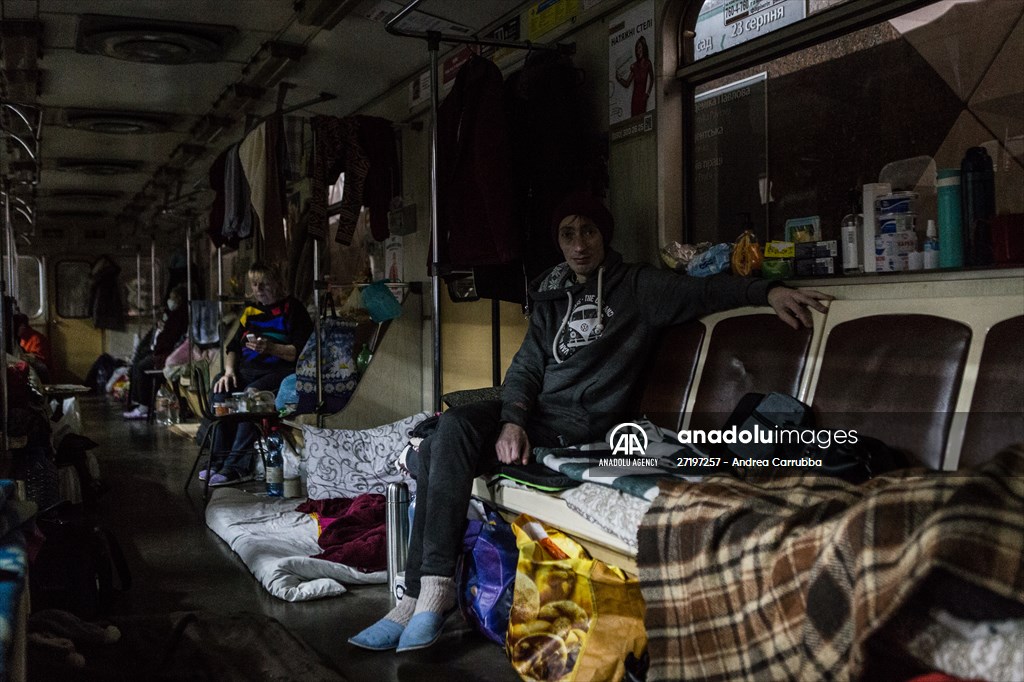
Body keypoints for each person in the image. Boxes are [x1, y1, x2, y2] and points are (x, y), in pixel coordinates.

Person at [349, 192, 832, 652]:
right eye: (567, 234)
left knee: (442, 444)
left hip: (577, 424)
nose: (579, 245)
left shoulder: (638, 287)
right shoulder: (553, 292)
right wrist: (512, 418)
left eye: (588, 233)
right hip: (533, 415)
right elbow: (526, 367)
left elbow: (703, 292)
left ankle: (425, 595)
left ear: (605, 236)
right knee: (441, 436)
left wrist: (767, 289)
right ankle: (420, 594)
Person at [202, 261, 313, 486]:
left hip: (278, 371)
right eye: (254, 284)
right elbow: (233, 347)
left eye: (264, 283)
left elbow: (301, 352)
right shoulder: (250, 312)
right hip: (245, 369)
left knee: (250, 398)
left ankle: (237, 467)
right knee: (220, 391)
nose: (259, 289)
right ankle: (217, 459)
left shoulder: (293, 309)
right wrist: (229, 372)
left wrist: (271, 348)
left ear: (278, 283)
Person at [123, 285, 189, 420]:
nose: (170, 301)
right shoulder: (173, 315)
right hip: (164, 351)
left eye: (172, 298)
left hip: (169, 354)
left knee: (141, 367)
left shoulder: (180, 316)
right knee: (138, 362)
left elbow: (170, 338)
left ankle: (144, 406)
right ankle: (140, 402)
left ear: (179, 299)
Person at [616, 36, 654, 118]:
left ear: (643, 48)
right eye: (637, 49)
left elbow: (652, 79)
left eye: (639, 48)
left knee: (642, 118)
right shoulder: (634, 66)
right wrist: (619, 79)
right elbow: (627, 83)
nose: (638, 51)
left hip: (643, 97)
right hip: (635, 98)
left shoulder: (648, 63)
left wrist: (647, 93)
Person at [13, 313, 54, 383]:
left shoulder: (36, 338)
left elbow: (40, 358)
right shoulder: (18, 338)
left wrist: (24, 356)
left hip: (40, 367)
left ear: (23, 327)